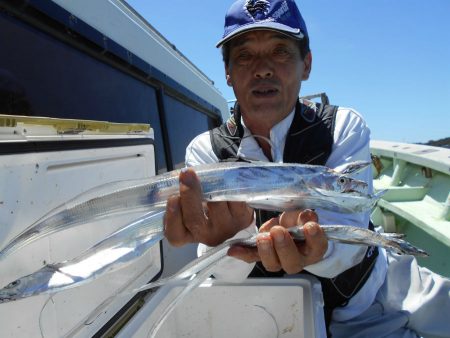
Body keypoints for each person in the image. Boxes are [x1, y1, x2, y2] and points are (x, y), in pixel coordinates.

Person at [164, 0, 450, 337]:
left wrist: (323, 247)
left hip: (368, 302)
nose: (263, 69)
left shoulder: (341, 126)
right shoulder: (206, 151)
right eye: (244, 55)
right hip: (267, 317)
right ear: (228, 73)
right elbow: (222, 274)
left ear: (307, 65)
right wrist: (226, 243)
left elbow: (350, 231)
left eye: (281, 51)